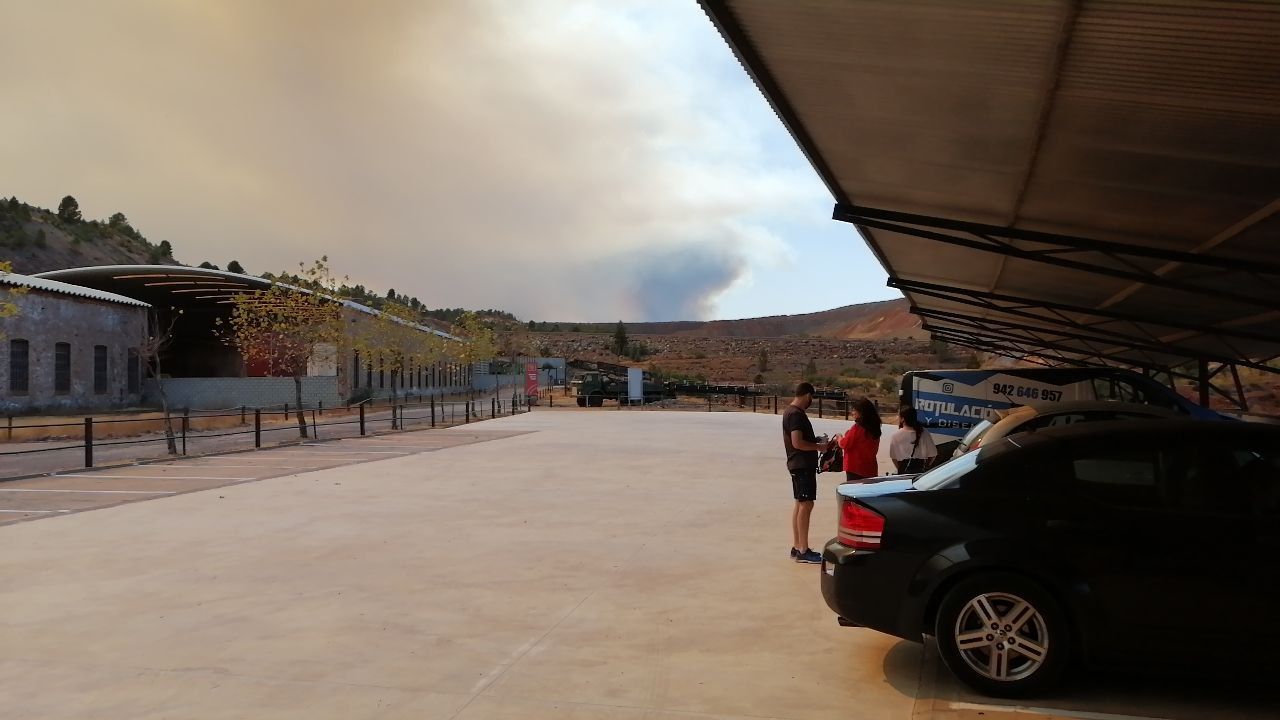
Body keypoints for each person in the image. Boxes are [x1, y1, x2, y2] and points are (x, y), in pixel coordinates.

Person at [782, 382, 833, 564]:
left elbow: (800, 439)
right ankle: (803, 550)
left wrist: (815, 440)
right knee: (806, 504)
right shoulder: (796, 414)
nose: (811, 401)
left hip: (797, 465)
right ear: (807, 395)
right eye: (812, 397)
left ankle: (797, 546)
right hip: (802, 465)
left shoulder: (790, 412)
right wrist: (819, 447)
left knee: (800, 503)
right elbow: (797, 442)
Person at [836, 397, 882, 482]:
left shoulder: (857, 428)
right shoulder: (875, 428)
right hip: (870, 467)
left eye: (854, 410)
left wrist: (839, 437)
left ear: (861, 412)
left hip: (855, 467)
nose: (852, 412)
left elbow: (845, 444)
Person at [890, 406, 937, 474]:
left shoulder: (895, 436)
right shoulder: (924, 432)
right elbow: (933, 455)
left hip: (904, 473)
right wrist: (926, 467)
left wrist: (902, 470)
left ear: (902, 419)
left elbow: (894, 458)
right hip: (920, 473)